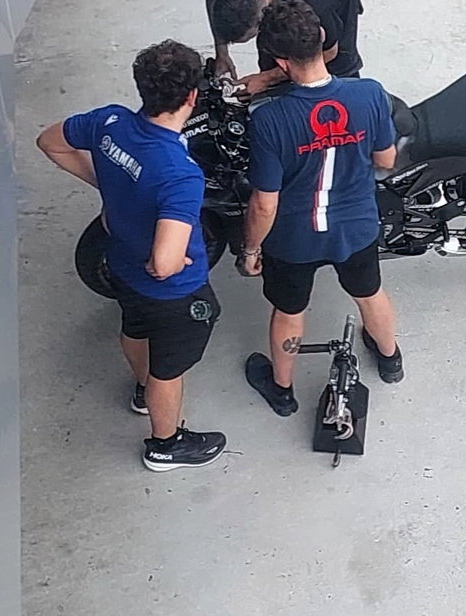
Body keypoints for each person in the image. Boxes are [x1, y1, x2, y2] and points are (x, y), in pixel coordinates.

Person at [36, 39, 228, 472]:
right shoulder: (180, 174)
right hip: (174, 293)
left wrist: (107, 187)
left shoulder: (110, 121)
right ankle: (166, 444)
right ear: (192, 97)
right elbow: (163, 263)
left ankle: (143, 392)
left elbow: (49, 141)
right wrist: (178, 260)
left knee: (135, 325)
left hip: (120, 262)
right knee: (169, 367)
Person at [235, 0, 404, 417]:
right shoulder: (369, 93)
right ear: (323, 41)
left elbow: (264, 202)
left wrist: (251, 250)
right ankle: (390, 359)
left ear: (278, 61)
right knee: (369, 293)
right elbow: (385, 161)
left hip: (294, 240)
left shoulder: (269, 119)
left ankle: (282, 390)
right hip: (356, 228)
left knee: (289, 310)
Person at [205, 0, 364, 94]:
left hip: (333, 65)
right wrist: (222, 51)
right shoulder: (260, 10)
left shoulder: (316, 7)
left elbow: (329, 52)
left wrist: (267, 78)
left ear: (262, 17)